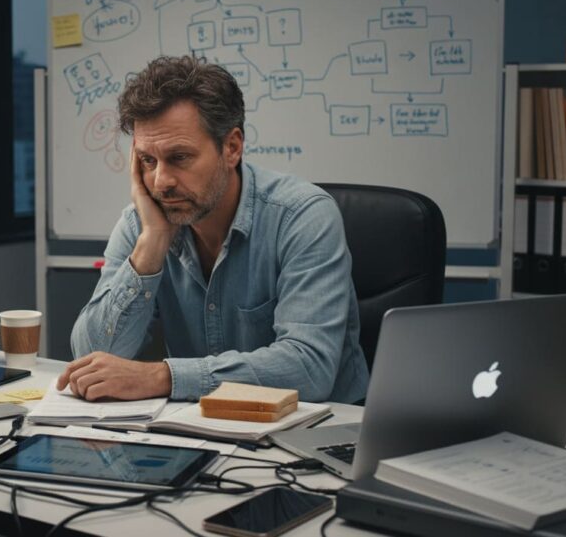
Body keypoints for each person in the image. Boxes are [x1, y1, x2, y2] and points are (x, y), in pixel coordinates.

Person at [58, 55, 369, 404]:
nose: (161, 182)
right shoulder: (143, 223)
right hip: (208, 431)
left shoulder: (302, 216)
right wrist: (152, 243)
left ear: (232, 148)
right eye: (148, 160)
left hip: (321, 435)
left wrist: (164, 377)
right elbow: (90, 358)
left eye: (180, 158)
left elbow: (309, 370)